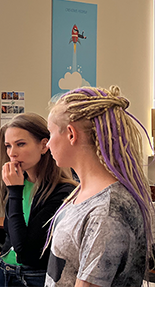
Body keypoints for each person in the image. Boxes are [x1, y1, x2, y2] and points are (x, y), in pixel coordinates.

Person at [45, 85, 154, 287]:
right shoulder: (82, 192)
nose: (48, 144)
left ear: (71, 134)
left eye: (51, 134)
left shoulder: (106, 211)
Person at [0, 113, 77, 287]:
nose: (12, 153)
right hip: (4, 270)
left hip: (33, 276)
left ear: (44, 145)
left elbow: (25, 252)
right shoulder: (18, 181)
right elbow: (10, 232)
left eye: (21, 144)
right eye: (8, 146)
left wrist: (15, 191)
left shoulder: (62, 191)